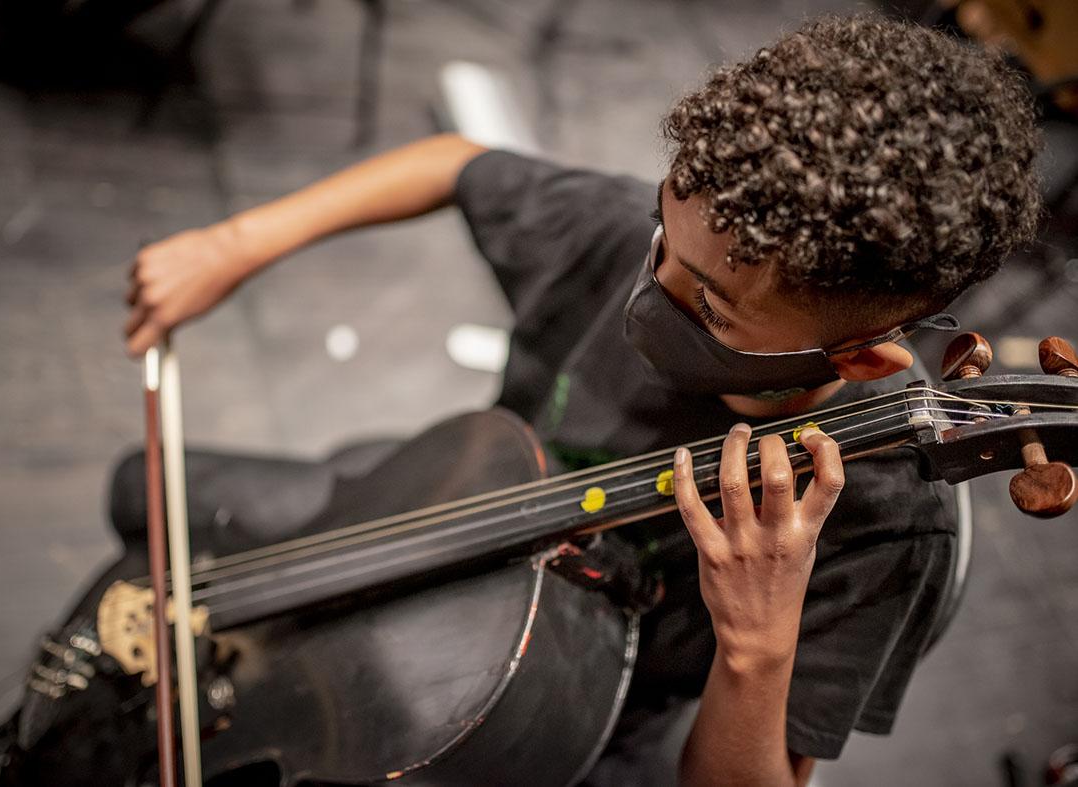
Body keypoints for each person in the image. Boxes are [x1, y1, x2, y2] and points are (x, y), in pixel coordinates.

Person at [120, 14, 1040, 786]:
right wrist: (235, 242)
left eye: (709, 307)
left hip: (563, 711)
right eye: (662, 242)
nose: (652, 291)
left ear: (866, 360)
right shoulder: (636, 239)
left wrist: (756, 644)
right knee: (139, 492)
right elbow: (455, 161)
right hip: (442, 504)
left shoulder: (885, 528)